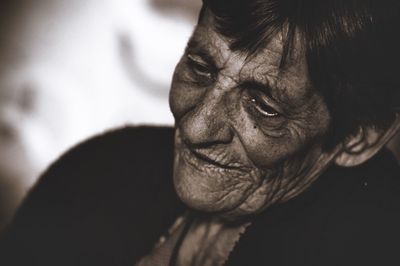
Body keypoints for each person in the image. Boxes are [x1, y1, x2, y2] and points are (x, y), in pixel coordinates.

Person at [1, 0, 400, 265]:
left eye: (262, 106)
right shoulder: (99, 173)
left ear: (358, 137)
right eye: (200, 66)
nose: (194, 126)